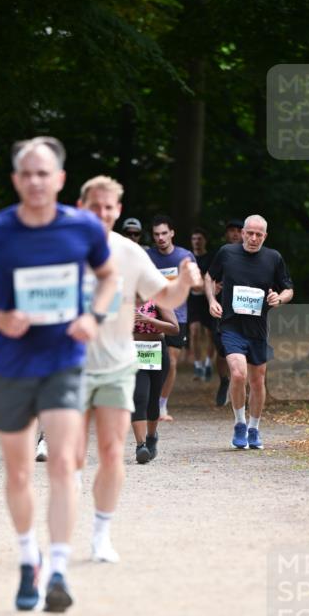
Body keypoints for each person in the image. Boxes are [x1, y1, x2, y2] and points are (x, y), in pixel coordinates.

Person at [0, 136, 117, 613]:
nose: (36, 181)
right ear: (16, 180)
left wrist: (93, 317)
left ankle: (60, 569)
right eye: (27, 174)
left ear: (60, 180)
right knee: (20, 471)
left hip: (63, 360)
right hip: (11, 364)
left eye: (45, 173)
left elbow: (107, 279)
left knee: (64, 463)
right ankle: (30, 559)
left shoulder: (82, 226)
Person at [77, 176, 201, 559]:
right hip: (73, 364)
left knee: (113, 453)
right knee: (69, 460)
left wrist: (184, 282)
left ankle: (101, 536)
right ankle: (60, 547)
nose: (102, 213)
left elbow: (167, 298)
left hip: (118, 363)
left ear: (117, 211)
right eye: (95, 206)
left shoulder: (131, 254)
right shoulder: (61, 247)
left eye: (109, 207)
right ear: (82, 208)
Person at [207, 214, 293, 450]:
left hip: (257, 329)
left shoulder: (273, 258)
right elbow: (209, 276)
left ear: (265, 236)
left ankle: (254, 428)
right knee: (237, 374)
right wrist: (211, 299)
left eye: (259, 235)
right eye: (250, 233)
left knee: (257, 381)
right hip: (231, 325)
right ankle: (240, 424)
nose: (254, 238)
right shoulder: (227, 253)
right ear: (243, 233)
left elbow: (288, 289)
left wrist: (280, 298)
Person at [147, 215, 195, 421]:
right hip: (150, 316)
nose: (160, 238)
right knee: (150, 360)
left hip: (178, 316)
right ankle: (146, 401)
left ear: (172, 233)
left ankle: (162, 405)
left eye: (164, 233)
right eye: (156, 234)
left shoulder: (184, 256)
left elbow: (196, 282)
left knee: (171, 362)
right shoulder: (147, 256)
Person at [132, 297, 179, 463]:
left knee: (153, 400)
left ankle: (151, 437)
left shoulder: (157, 299)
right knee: (139, 397)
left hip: (156, 353)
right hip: (133, 354)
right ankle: (141, 445)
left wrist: (148, 320)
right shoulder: (122, 300)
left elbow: (174, 328)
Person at [210, 218, 244, 406]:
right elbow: (209, 278)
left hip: (246, 310)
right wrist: (212, 294)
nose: (235, 234)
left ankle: (239, 388)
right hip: (222, 310)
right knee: (222, 351)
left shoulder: (255, 254)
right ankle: (224, 380)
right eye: (231, 230)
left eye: (239, 230)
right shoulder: (222, 253)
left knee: (243, 350)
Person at [187, 227, 215, 382]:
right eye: (194, 238)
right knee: (194, 331)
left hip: (208, 299)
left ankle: (209, 363)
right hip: (192, 300)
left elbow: (211, 279)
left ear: (204, 240)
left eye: (199, 238)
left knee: (210, 334)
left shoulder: (210, 258)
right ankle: (198, 365)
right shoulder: (187, 258)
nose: (196, 241)